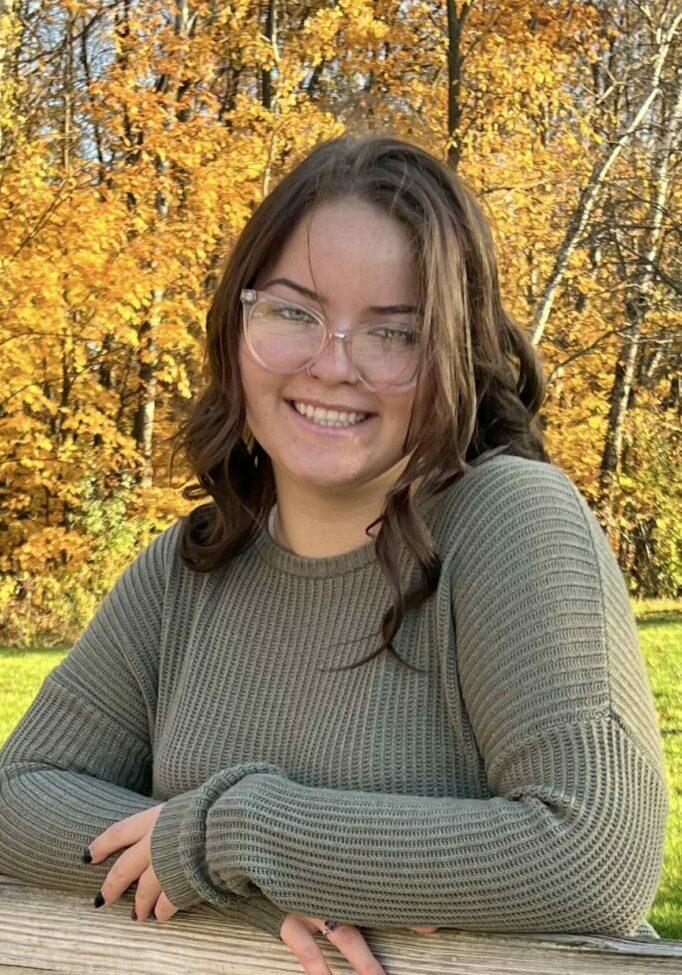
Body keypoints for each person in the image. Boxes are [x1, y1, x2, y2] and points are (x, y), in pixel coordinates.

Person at [0, 133, 669, 975]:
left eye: (395, 333)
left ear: (454, 356)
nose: (333, 365)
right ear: (238, 323)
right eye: (293, 311)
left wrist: (235, 833)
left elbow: (594, 852)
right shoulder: (192, 564)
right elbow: (18, 792)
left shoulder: (510, 520)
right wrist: (227, 879)